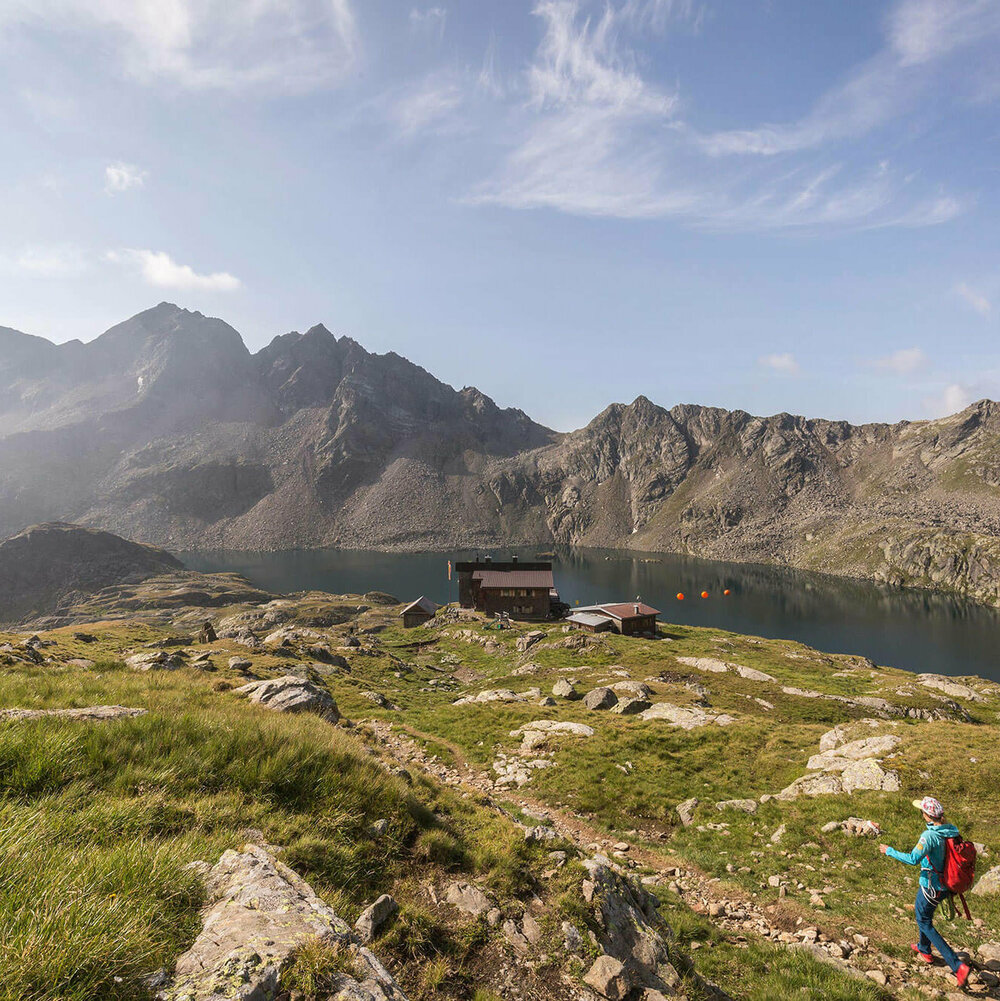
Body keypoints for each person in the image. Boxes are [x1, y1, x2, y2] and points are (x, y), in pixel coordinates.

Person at [879, 796, 971, 987]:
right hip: (947, 886)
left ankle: (957, 965)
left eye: (922, 811)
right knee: (924, 916)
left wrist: (889, 851)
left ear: (928, 815)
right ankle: (924, 949)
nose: (921, 813)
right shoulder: (951, 830)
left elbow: (913, 859)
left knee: (924, 921)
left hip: (932, 886)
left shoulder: (929, 836)